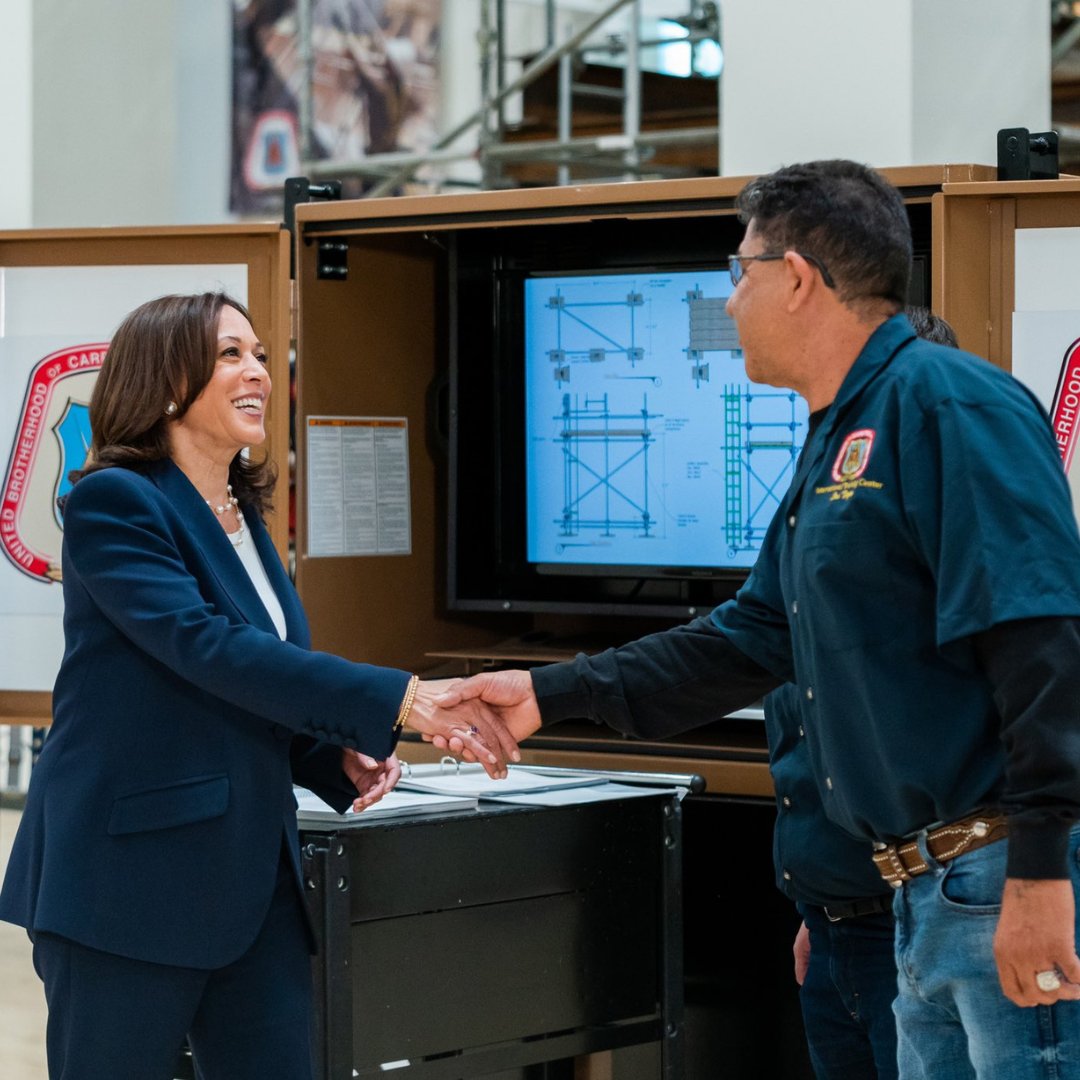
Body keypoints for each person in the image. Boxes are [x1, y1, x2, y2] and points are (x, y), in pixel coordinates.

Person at [437, 160, 1080, 1079]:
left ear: (797, 278)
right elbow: (752, 636)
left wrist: (1042, 875)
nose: (729, 298)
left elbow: (1043, 643)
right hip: (918, 892)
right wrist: (546, 692)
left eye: (739, 271)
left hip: (997, 875)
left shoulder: (948, 405)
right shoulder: (838, 434)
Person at [0, 292, 517, 1080]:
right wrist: (400, 701)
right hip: (126, 885)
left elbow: (247, 682)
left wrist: (325, 755)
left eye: (262, 356)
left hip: (254, 885)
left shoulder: (240, 511)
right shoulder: (115, 503)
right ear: (169, 382)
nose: (260, 373)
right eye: (231, 355)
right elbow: (209, 649)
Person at [768, 309, 961, 1080]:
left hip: (919, 924)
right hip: (837, 930)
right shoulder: (816, 554)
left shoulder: (949, 555)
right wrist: (821, 907)